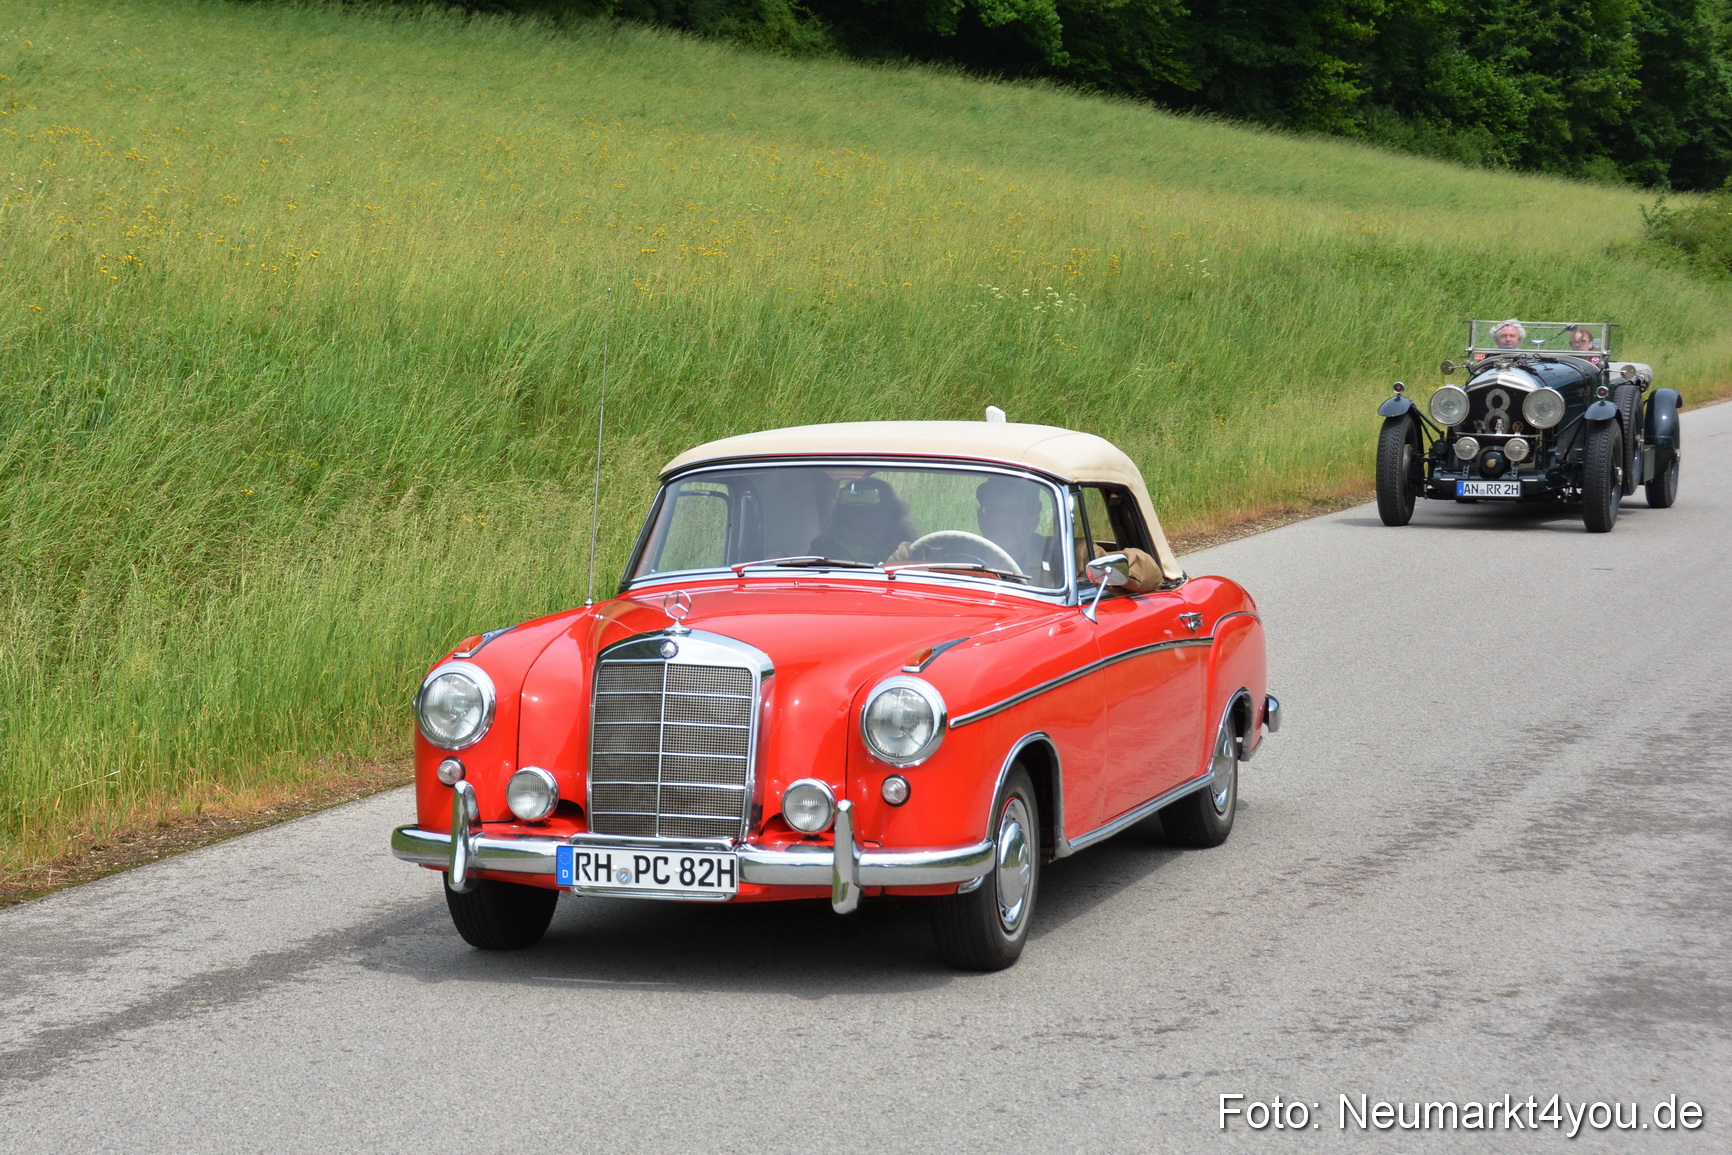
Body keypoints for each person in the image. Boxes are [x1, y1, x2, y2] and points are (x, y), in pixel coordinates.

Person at [809, 477, 917, 564]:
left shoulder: (909, 548)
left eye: (873, 511)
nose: (864, 518)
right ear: (843, 516)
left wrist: (910, 557)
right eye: (856, 511)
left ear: (892, 516)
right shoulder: (824, 550)